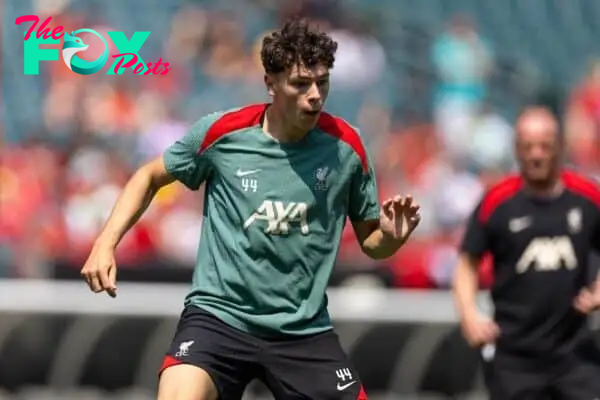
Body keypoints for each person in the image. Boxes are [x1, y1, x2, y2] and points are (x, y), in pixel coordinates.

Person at [80, 19, 421, 400]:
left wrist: (391, 237)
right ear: (271, 84)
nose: (315, 96)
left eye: (322, 82)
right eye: (300, 84)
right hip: (219, 319)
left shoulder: (346, 148)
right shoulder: (223, 134)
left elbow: (372, 242)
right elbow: (148, 176)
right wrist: (105, 243)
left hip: (302, 331)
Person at [453, 105, 600, 400]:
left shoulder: (588, 197)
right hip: (514, 360)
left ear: (560, 146)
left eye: (544, 145)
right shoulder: (497, 202)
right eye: (528, 146)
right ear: (516, 149)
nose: (536, 155)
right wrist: (470, 315)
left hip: (575, 356)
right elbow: (466, 264)